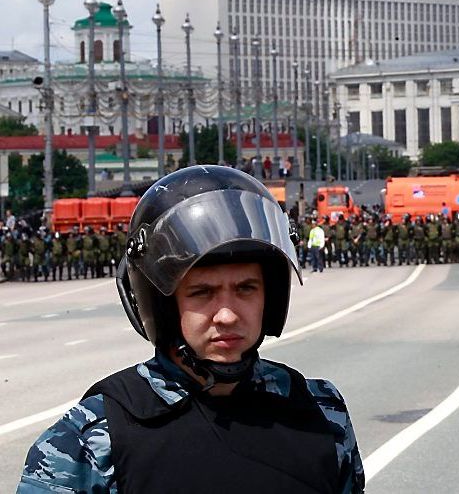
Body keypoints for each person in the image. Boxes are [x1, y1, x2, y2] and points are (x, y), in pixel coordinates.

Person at [18, 165, 364, 492]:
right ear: (163, 306)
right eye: (202, 293)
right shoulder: (93, 440)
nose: (227, 315)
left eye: (246, 289)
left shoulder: (320, 411)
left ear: (269, 298)